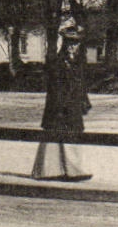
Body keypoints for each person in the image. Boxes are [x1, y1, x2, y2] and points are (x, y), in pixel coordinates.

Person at [31, 23, 91, 181]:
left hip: (72, 106)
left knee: (72, 136)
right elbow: (55, 87)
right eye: (70, 43)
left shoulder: (78, 62)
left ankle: (74, 170)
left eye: (76, 43)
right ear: (64, 44)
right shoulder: (57, 62)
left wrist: (84, 101)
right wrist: (61, 104)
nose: (73, 46)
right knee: (53, 137)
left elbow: (81, 84)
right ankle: (47, 171)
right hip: (58, 105)